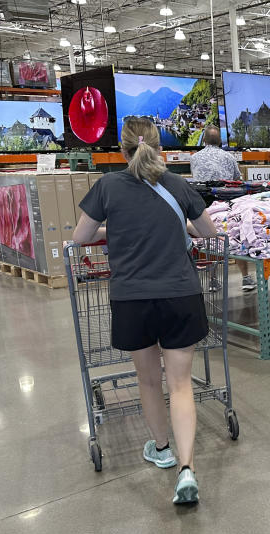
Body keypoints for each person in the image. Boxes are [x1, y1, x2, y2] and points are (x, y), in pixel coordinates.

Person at [72, 117, 218, 505]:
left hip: (131, 298)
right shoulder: (178, 185)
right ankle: (188, 469)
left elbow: (80, 237)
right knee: (181, 384)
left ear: (121, 150)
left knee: (149, 382)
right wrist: (181, 226)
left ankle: (162, 448)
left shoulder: (106, 187)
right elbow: (210, 234)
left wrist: (110, 231)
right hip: (180, 295)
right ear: (161, 148)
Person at [189, 125, 256, 292]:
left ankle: (212, 280)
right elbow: (237, 180)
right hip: (226, 204)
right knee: (235, 237)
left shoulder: (194, 158)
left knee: (210, 240)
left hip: (205, 206)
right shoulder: (229, 157)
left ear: (203, 140)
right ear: (220, 141)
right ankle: (246, 278)